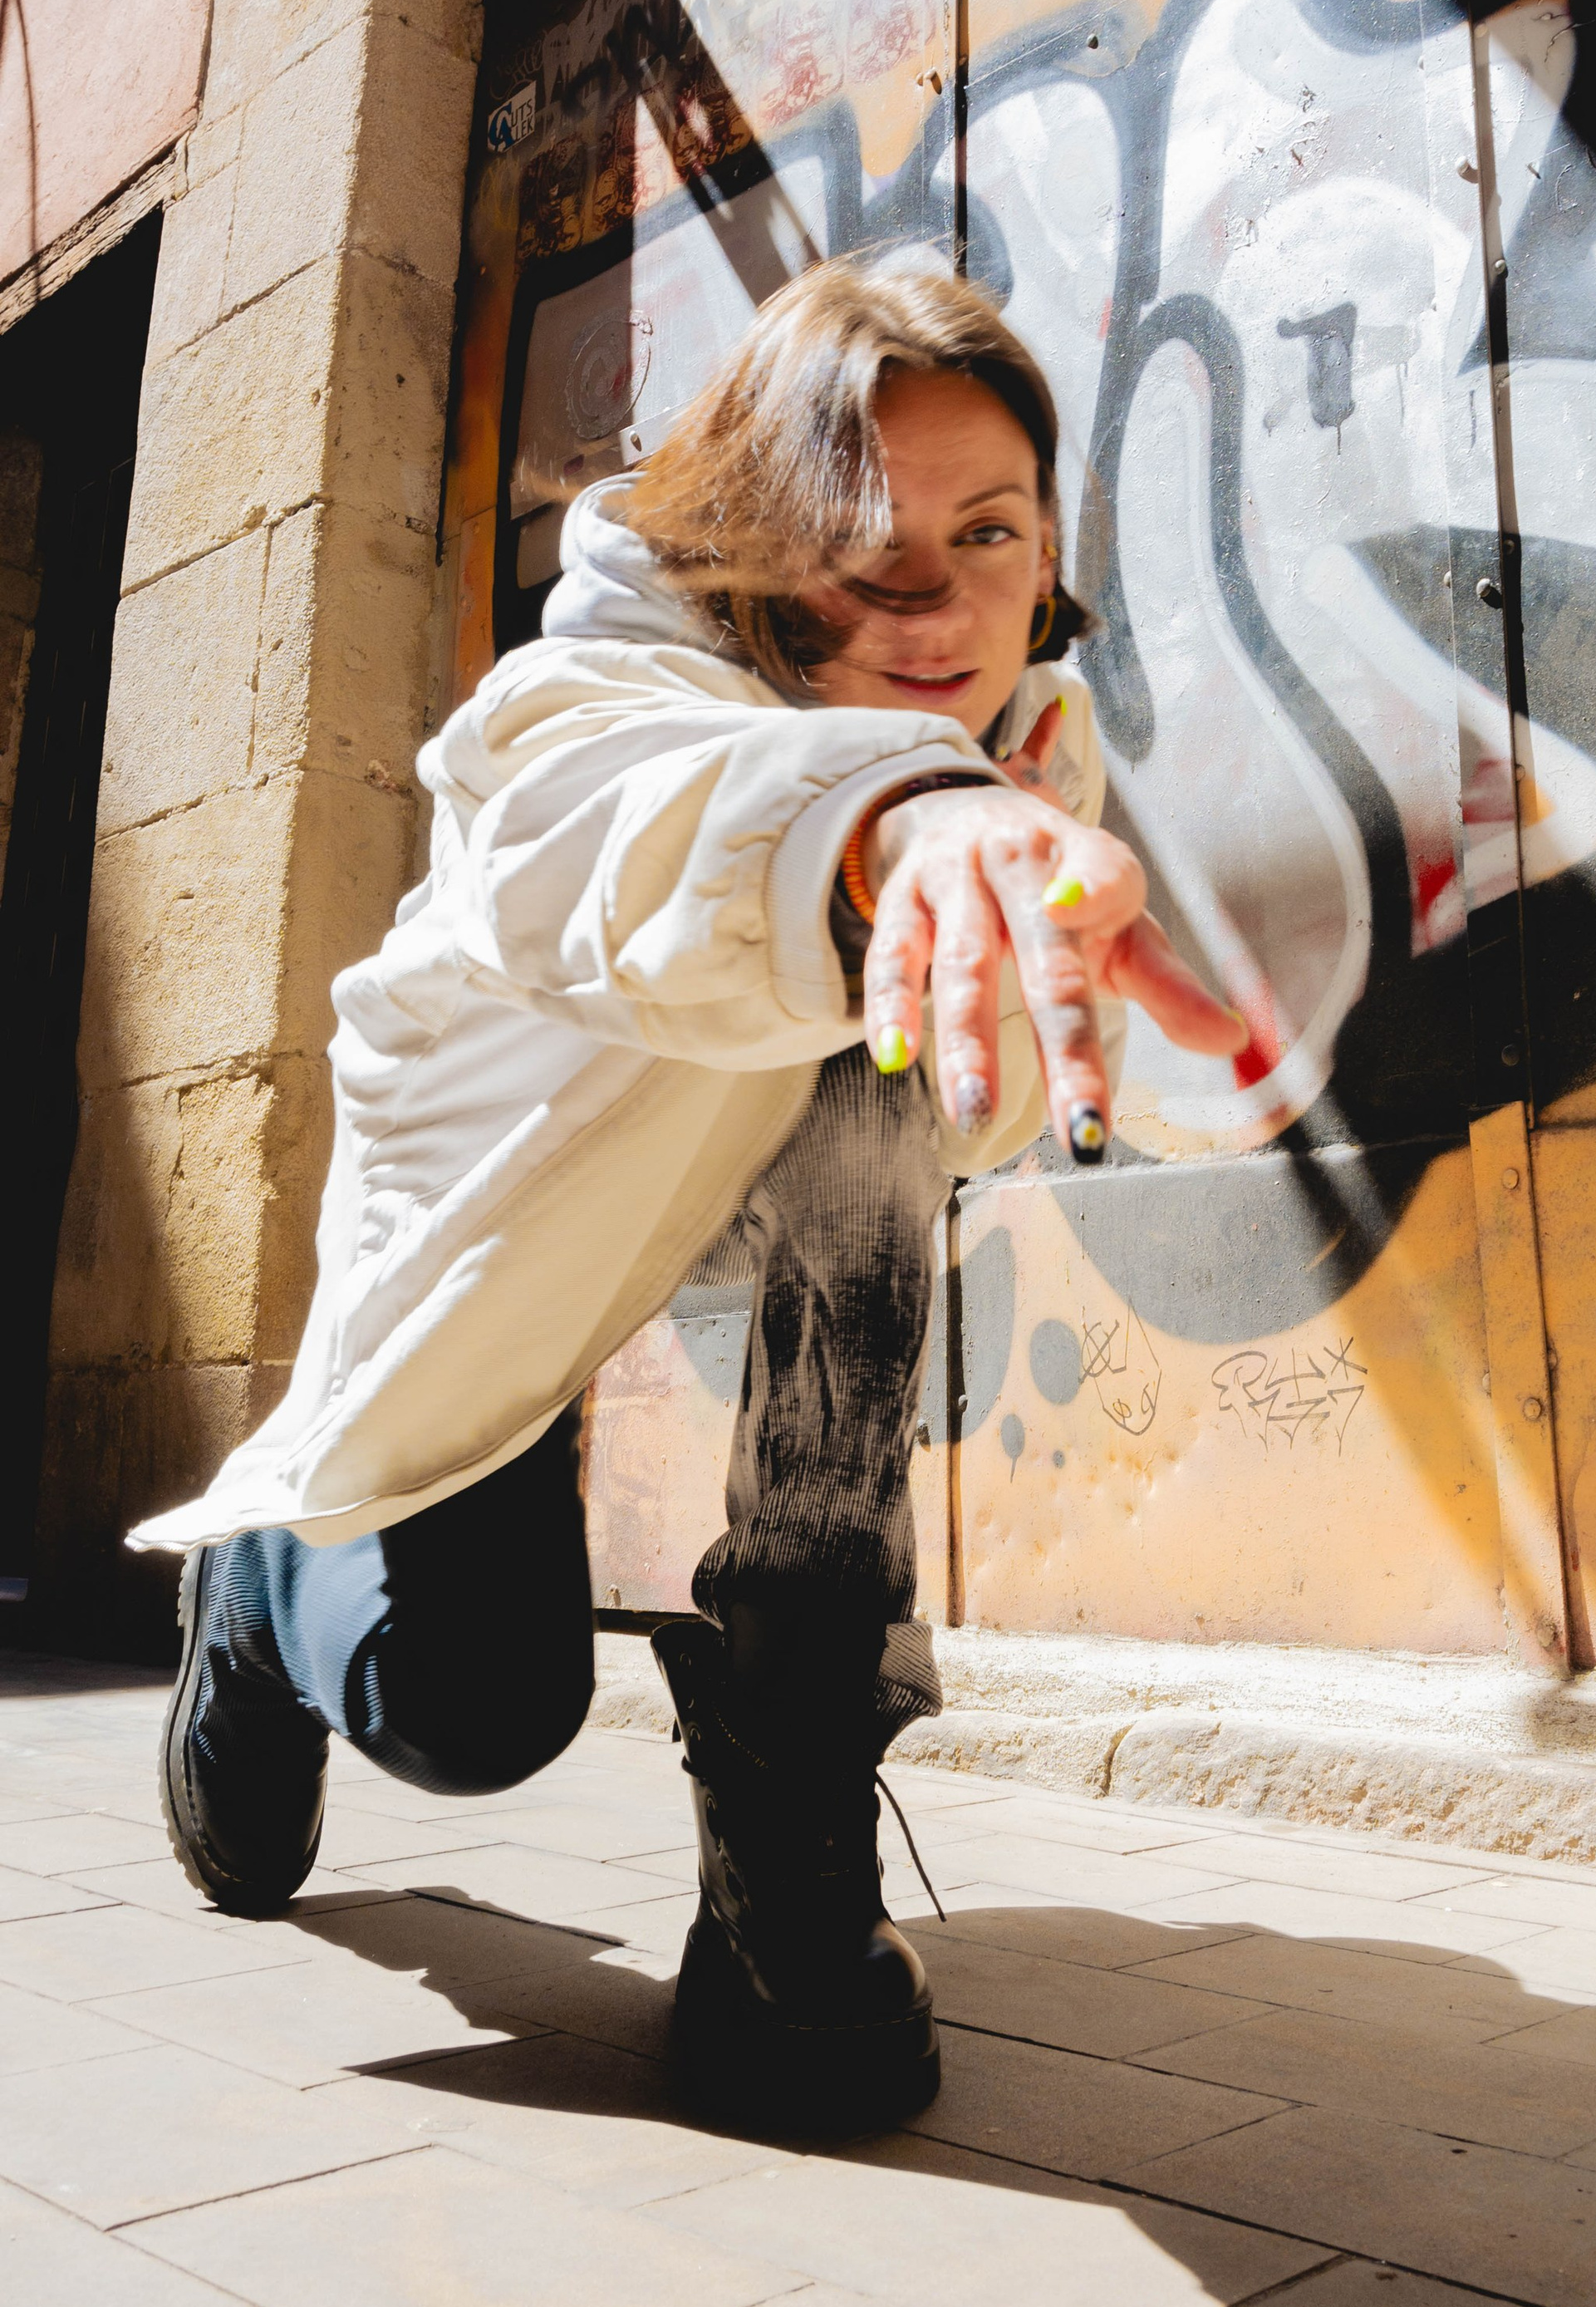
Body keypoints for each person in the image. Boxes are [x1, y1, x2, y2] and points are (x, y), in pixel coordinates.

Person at [134, 253, 1244, 2135]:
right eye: (856, 540)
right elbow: (616, 827)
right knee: (474, 1715)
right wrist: (888, 824)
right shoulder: (594, 690)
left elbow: (974, 1113)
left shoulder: (1028, 755)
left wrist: (970, 869)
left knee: (869, 1082)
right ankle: (258, 1606)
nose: (935, 599)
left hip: (761, 1164)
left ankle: (782, 1841)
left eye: (986, 530)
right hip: (516, 1234)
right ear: (748, 540)